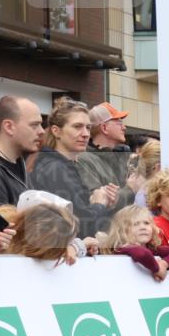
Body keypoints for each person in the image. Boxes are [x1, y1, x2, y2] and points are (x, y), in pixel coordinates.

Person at [29, 98, 118, 238]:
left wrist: (105, 204)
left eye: (88, 127)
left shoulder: (60, 166)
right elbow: (80, 227)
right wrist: (99, 203)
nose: (85, 134)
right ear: (56, 131)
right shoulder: (56, 168)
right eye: (77, 126)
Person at [101, 205, 169, 281]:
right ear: (122, 231)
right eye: (135, 224)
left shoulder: (153, 249)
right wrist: (157, 269)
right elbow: (142, 254)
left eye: (146, 223)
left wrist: (164, 264)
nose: (143, 227)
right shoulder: (123, 248)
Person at [77, 102, 137, 209]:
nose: (124, 127)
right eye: (119, 123)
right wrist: (130, 189)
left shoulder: (121, 157)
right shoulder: (84, 160)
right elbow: (99, 203)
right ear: (104, 128)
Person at [0, 95, 45, 207]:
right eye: (34, 125)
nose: (42, 131)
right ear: (9, 127)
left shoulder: (19, 163)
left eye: (41, 125)